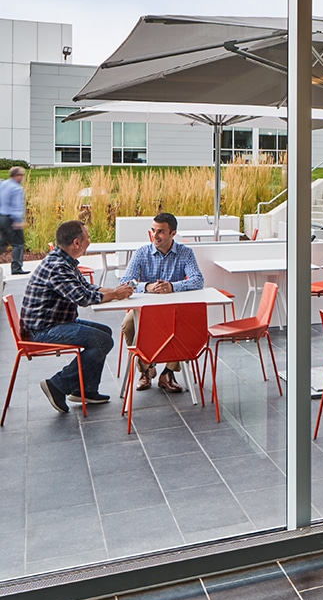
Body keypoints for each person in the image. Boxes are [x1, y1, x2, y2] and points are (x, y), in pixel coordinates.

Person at [19, 220, 134, 414]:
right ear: (76, 243)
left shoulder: (64, 260)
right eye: (87, 237)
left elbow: (87, 287)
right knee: (102, 340)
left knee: (104, 332)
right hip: (41, 331)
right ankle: (58, 385)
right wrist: (114, 295)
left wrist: (116, 291)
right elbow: (83, 297)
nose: (90, 240)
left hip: (53, 323)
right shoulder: (58, 266)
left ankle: (86, 390)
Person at [119, 212, 204, 393]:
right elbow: (126, 282)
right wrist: (147, 286)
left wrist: (173, 286)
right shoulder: (141, 253)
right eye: (153, 230)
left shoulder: (185, 253)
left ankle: (168, 373)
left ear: (173, 233)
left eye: (161, 232)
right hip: (144, 310)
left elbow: (198, 280)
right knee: (128, 325)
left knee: (185, 327)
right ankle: (146, 369)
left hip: (174, 310)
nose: (155, 236)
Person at [0, 166, 29, 275]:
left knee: (2, 242)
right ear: (16, 176)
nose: (22, 177)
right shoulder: (17, 188)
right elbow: (17, 205)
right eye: (21, 175)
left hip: (1, 216)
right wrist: (18, 220)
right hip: (11, 218)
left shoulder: (3, 184)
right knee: (18, 243)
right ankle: (16, 268)